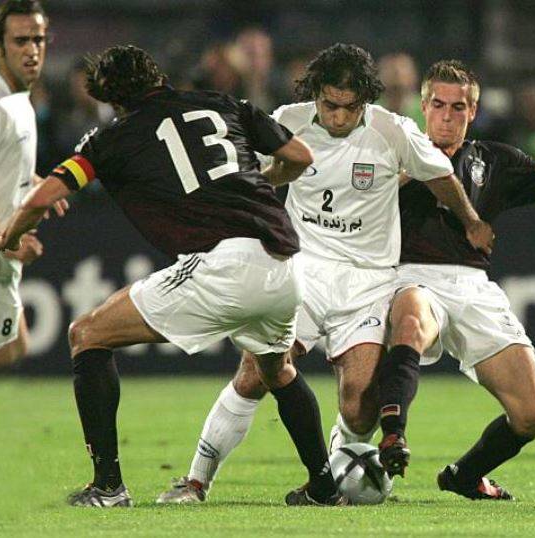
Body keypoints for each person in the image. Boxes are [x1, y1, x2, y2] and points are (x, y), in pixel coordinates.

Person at [0, 44, 344, 508]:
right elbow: (299, 156)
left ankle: (108, 487)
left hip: (223, 263)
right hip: (284, 263)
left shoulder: (110, 138)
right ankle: (324, 487)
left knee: (86, 334)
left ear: (112, 99)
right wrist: (256, 182)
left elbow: (41, 198)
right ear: (157, 77)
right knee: (277, 369)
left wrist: (8, 235)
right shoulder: (222, 103)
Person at [156, 43, 493, 505]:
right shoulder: (287, 121)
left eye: (350, 107)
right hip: (303, 274)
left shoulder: (392, 130)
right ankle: (196, 481)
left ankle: (335, 475)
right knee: (255, 372)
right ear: (315, 94)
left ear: (366, 101)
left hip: (368, 283)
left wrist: (471, 221)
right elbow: (257, 171)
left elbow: (441, 176)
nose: (338, 116)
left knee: (360, 405)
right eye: (330, 105)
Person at [376, 60, 535, 497]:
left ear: (472, 111)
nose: (446, 116)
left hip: (473, 286)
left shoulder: (494, 161)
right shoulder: (393, 151)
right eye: (438, 105)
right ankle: (393, 434)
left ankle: (463, 475)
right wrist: (406, 174)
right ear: (422, 106)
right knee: (411, 320)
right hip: (410, 275)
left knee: (532, 414)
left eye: (458, 107)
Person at [0, 0, 60, 368]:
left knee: (16, 345)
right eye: (21, 41)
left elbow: (0, 165)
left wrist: (35, 183)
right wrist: (6, 241)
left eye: (38, 40)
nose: (32, 50)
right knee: (4, 352)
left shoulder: (18, 101)